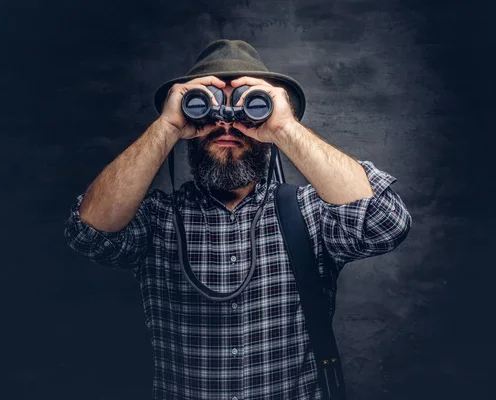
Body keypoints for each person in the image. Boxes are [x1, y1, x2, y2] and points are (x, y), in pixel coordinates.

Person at [64, 39, 412, 400]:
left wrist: (283, 128)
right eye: (208, 106)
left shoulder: (311, 213)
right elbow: (88, 234)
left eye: (246, 104)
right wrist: (166, 126)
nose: (227, 123)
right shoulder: (157, 219)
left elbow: (384, 224)